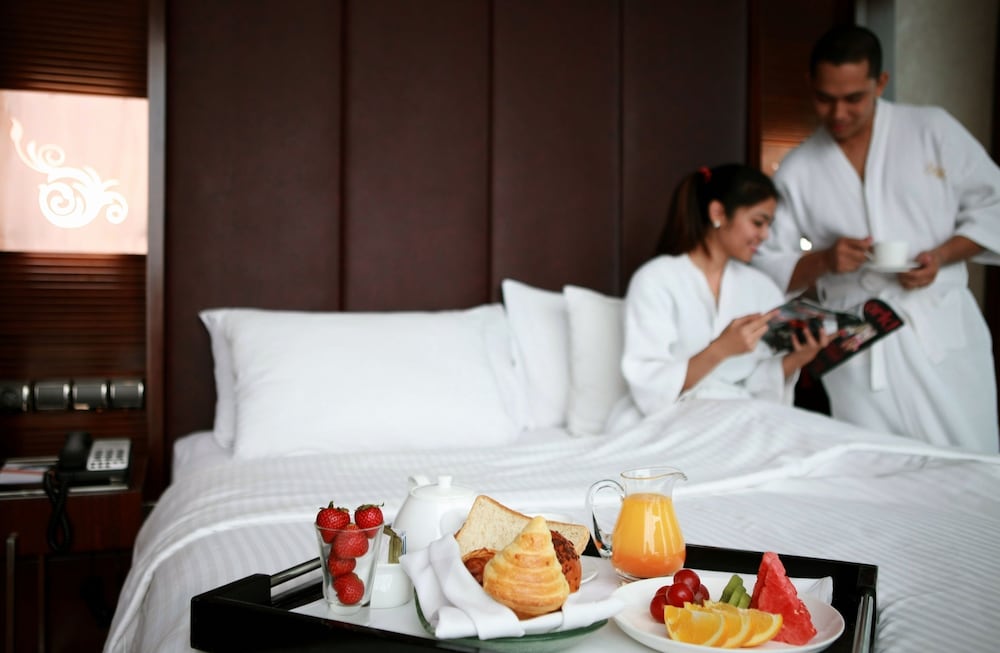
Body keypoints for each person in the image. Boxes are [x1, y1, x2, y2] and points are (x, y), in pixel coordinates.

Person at [752, 24, 1000, 453]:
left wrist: (942, 256)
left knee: (970, 457)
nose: (839, 113)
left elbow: (994, 205)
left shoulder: (931, 130)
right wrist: (825, 260)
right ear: (810, 85)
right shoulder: (798, 168)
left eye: (854, 98)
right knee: (874, 465)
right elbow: (765, 266)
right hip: (857, 342)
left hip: (938, 328)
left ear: (880, 83)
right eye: (825, 99)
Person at [618, 163, 831, 420]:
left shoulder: (761, 287)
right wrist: (721, 349)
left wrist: (801, 357)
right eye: (758, 222)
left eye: (769, 225)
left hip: (740, 413)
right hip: (672, 416)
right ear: (718, 212)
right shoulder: (655, 280)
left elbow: (759, 384)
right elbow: (650, 387)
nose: (765, 235)